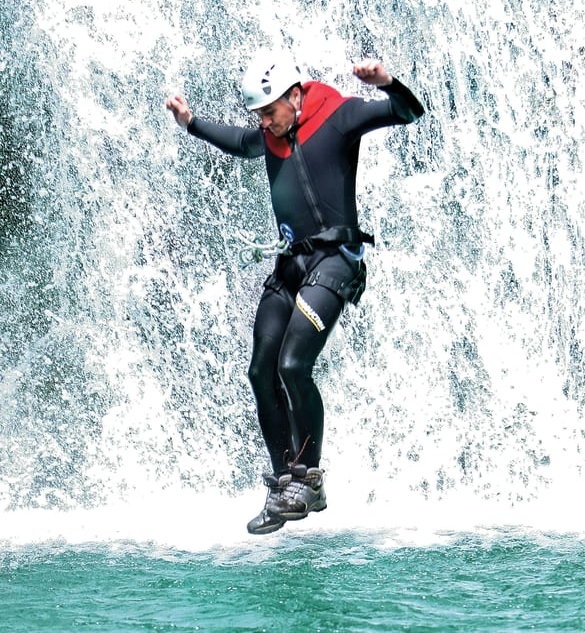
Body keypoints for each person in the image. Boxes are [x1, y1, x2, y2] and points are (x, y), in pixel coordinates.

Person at [165, 49, 424, 534]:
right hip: (291, 265)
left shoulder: (341, 116)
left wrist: (387, 82)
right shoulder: (268, 136)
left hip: (336, 261)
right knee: (261, 369)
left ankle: (312, 479)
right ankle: (284, 482)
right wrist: (191, 123)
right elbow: (239, 142)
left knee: (293, 365)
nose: (264, 122)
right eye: (258, 115)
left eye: (270, 111)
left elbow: (409, 112)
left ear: (296, 95)